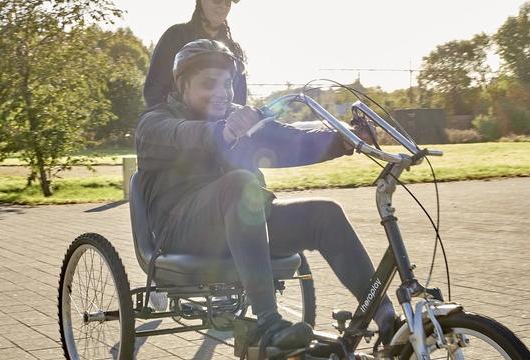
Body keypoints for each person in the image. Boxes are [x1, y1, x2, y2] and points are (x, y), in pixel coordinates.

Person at [135, 39, 397, 351]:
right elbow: (185, 135)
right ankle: (267, 323)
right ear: (182, 86)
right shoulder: (154, 122)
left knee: (325, 214)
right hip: (181, 230)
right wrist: (223, 132)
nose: (221, 93)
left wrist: (343, 141)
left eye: (227, 84)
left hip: (241, 221)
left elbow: (288, 140)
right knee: (241, 184)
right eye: (209, 84)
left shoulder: (237, 117)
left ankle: (386, 320)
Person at [143, 0, 247, 107]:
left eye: (227, 3)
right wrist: (169, 119)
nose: (223, 6)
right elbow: (153, 91)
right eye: (217, 0)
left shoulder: (233, 50)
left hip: (221, 123)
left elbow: (240, 100)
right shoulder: (175, 36)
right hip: (176, 119)